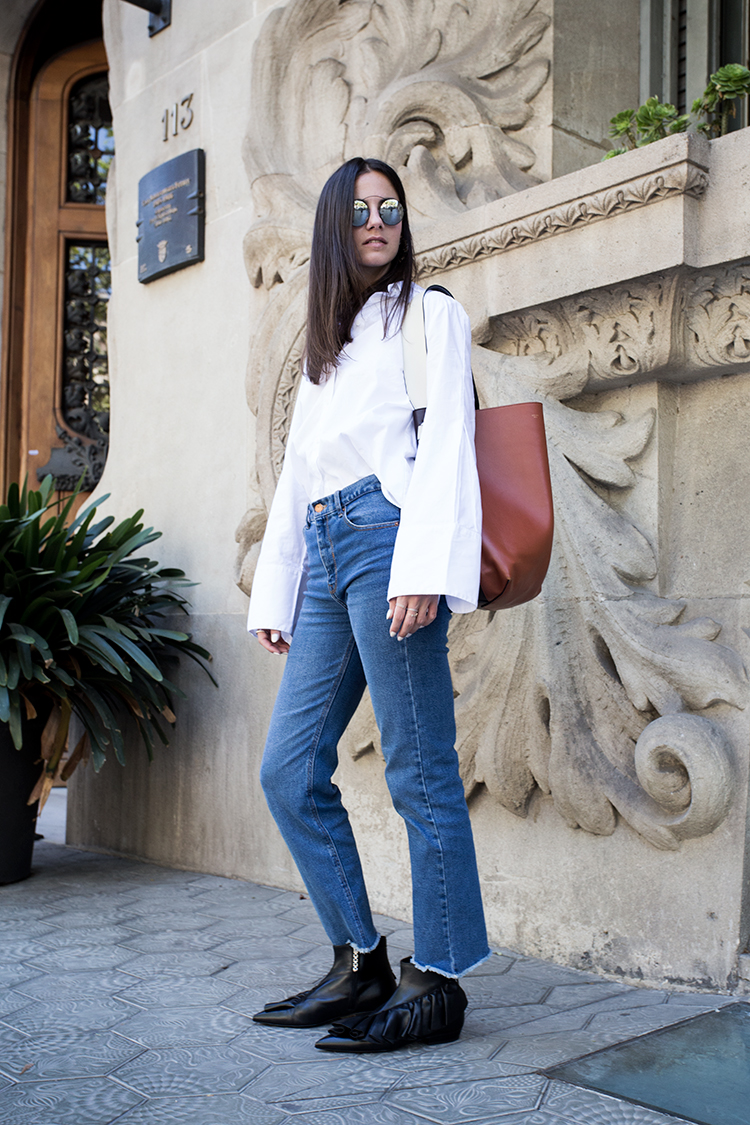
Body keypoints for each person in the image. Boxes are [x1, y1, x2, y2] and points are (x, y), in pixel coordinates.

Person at [247, 156, 489, 1053]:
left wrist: (422, 566)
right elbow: (297, 474)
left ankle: (440, 978)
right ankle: (359, 960)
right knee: (288, 769)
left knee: (419, 768)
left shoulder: (428, 314)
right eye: (360, 211)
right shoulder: (327, 347)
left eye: (390, 208)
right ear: (333, 229)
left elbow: (450, 439)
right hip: (324, 549)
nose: (378, 221)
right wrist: (277, 587)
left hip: (391, 541)